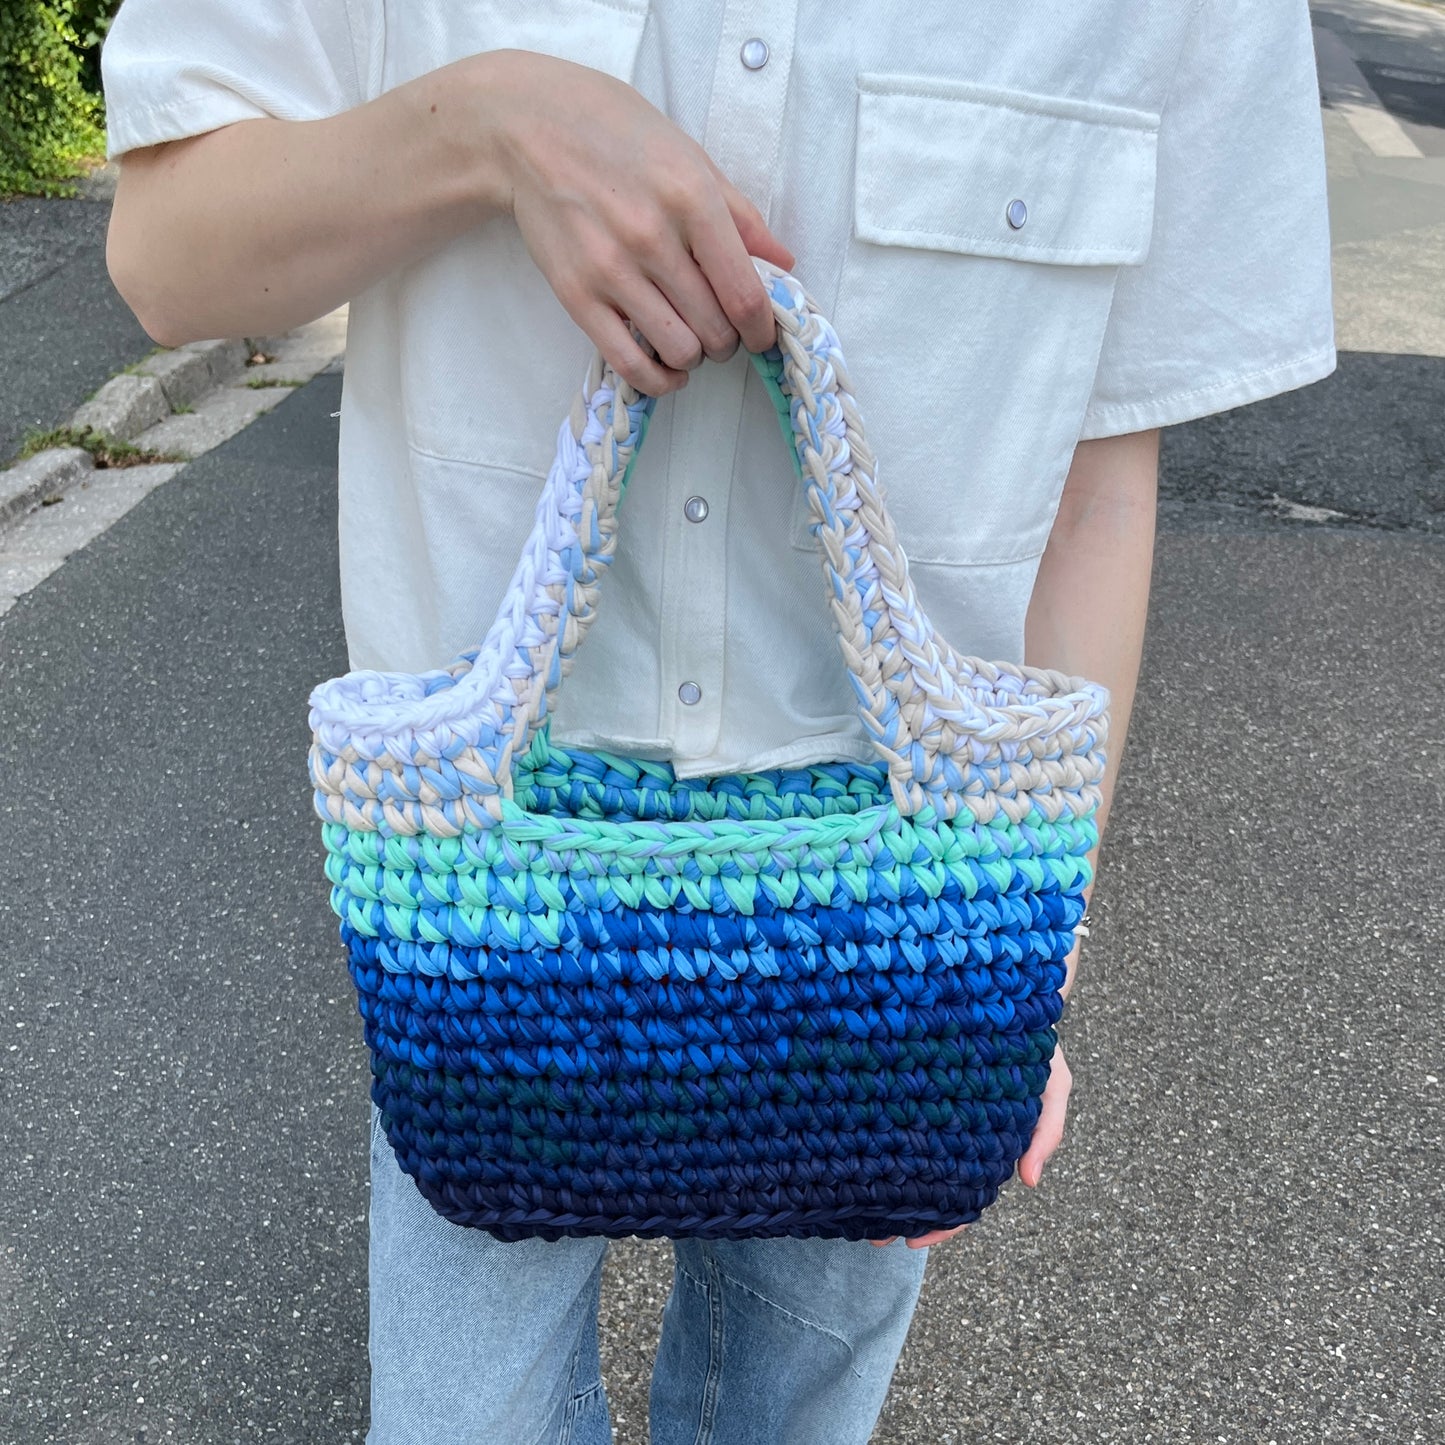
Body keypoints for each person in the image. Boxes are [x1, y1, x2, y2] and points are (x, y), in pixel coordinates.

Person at [100, 2, 1335, 1440]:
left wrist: (1033, 948)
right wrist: (487, 125)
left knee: (790, 1415)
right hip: (495, 876)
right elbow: (163, 257)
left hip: (901, 914)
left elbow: (1102, 465)